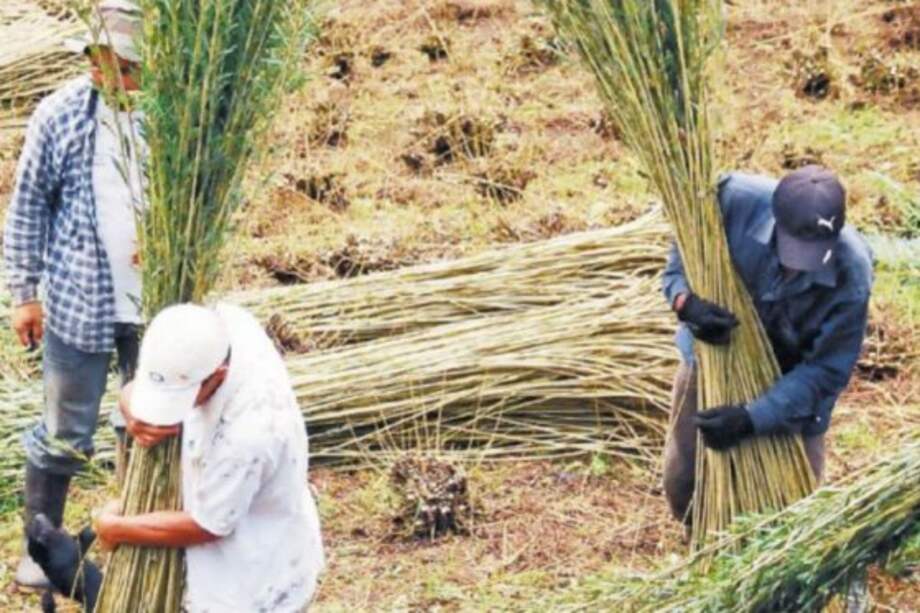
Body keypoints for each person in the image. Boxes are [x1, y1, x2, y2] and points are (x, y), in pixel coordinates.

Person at [4, 0, 147, 587]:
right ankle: (40, 555)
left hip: (157, 307)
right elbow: (28, 208)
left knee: (144, 426)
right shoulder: (61, 115)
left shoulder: (178, 122)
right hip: (77, 300)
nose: (102, 70)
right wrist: (24, 294)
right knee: (64, 431)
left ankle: (134, 540)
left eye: (117, 61)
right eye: (96, 57)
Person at [661, 165, 873, 524]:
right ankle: (697, 550)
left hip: (793, 383)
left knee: (790, 512)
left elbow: (826, 371)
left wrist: (751, 418)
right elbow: (681, 256)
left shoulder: (851, 274)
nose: (800, 267)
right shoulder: (730, 200)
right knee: (685, 482)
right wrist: (686, 302)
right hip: (714, 359)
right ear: (775, 217)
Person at [92, 303, 325, 612]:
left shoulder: (251, 430)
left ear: (218, 376)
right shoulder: (218, 322)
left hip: (253, 583)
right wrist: (132, 406)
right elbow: (142, 383)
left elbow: (209, 524)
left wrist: (116, 528)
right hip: (214, 542)